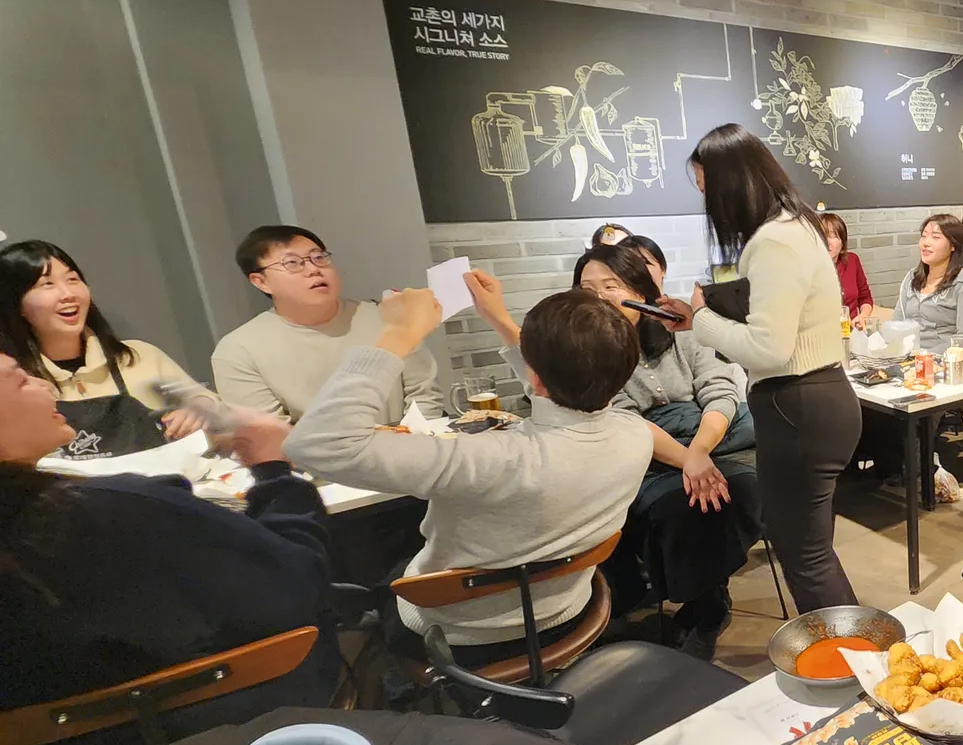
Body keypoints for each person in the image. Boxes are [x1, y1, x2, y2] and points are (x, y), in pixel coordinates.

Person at [0, 351, 334, 745]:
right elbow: (298, 587)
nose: (45, 386)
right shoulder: (114, 512)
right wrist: (275, 472)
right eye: (21, 381)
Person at [284, 286, 650, 667]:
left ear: (535, 377)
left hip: (465, 635)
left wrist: (399, 333)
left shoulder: (485, 458)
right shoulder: (636, 434)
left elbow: (315, 444)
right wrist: (498, 318)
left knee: (387, 568)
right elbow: (559, 396)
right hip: (567, 609)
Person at [470, 245, 760, 656]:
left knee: (733, 489)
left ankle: (704, 605)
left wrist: (697, 451)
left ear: (640, 291)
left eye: (612, 285)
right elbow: (620, 420)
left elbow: (719, 391)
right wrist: (688, 456)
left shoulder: (680, 332)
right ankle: (704, 605)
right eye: (587, 288)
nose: (601, 296)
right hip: (633, 456)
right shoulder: (582, 351)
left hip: (706, 443)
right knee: (683, 504)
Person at [682, 123, 862, 612]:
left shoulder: (773, 242)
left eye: (707, 189)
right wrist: (705, 318)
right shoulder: (796, 227)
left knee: (804, 555)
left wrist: (701, 319)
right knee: (812, 550)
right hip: (816, 403)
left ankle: (851, 654)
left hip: (797, 407)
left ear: (732, 185)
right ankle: (855, 649)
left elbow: (770, 349)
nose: (708, 204)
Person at [212, 226, 444, 423]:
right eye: (292, 263)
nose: (314, 269)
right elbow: (270, 435)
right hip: (316, 463)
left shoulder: (389, 318)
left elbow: (424, 396)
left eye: (319, 257)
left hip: (407, 452)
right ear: (261, 282)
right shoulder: (238, 350)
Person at [0, 240, 205, 459]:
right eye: (47, 284)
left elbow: (213, 412)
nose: (68, 294)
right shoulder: (13, 382)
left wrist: (199, 414)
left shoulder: (138, 356)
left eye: (73, 279)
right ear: (16, 303)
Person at [893, 214, 963, 342]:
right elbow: (897, 325)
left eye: (935, 237)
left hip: (944, 353)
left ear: (953, 245)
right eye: (924, 236)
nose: (926, 243)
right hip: (907, 353)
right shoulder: (911, 278)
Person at [820, 212, 874, 320]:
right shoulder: (808, 268)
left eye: (832, 236)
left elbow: (865, 297)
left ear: (842, 242)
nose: (827, 242)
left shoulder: (852, 260)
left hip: (851, 327)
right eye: (822, 236)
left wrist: (863, 316)